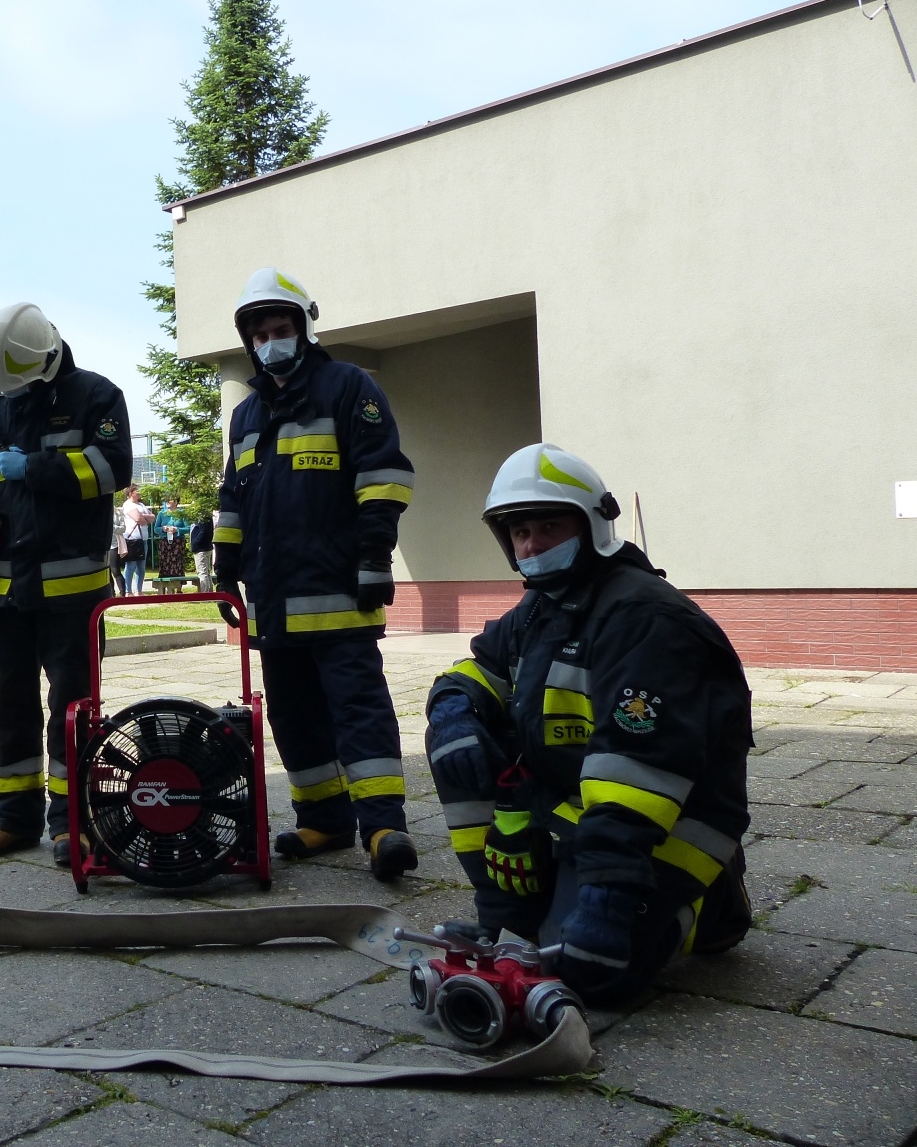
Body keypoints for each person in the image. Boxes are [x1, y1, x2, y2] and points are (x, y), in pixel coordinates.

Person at [423, 444, 753, 1006]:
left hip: (668, 821)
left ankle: (712, 904)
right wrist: (452, 708)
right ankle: (508, 909)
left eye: (549, 527)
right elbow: (475, 670)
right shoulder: (540, 609)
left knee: (596, 974)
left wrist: (606, 901)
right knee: (457, 742)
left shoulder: (645, 618)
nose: (532, 545)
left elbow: (637, 773)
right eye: (520, 532)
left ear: (592, 525)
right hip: (576, 809)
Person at [213, 268, 419, 883]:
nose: (270, 343)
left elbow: (383, 476)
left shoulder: (348, 387)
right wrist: (225, 568)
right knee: (293, 716)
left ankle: (382, 826)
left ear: (304, 329)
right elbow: (233, 497)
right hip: (273, 600)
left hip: (339, 593)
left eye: (281, 330)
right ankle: (324, 821)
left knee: (359, 711)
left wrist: (375, 556)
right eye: (260, 336)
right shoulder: (246, 414)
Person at [0, 300, 131, 863]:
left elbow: (113, 469)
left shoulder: (96, 396)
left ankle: (74, 823)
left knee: (74, 709)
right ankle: (13, 820)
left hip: (73, 595)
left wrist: (34, 467)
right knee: (8, 707)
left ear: (42, 361)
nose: (7, 397)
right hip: (4, 594)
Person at [119, 485, 152, 595]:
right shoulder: (128, 505)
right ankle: (128, 591)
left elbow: (152, 518)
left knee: (141, 567)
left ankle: (139, 590)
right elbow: (137, 518)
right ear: (130, 493)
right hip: (132, 539)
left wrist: (143, 517)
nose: (139, 492)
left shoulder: (141, 505)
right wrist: (145, 517)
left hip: (143, 539)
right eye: (137, 491)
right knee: (131, 566)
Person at [153, 496, 189, 590]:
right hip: (165, 542)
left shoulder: (182, 513)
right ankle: (164, 588)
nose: (168, 502)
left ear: (176, 502)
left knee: (177, 563)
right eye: (167, 500)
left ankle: (179, 589)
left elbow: (188, 528)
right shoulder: (161, 513)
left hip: (178, 542)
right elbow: (155, 529)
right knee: (165, 563)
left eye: (170, 500)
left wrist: (177, 529)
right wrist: (163, 529)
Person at [190, 511, 215, 593]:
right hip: (207, 547)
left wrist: (195, 542)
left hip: (200, 548)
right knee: (207, 572)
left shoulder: (202, 516)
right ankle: (209, 592)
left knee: (202, 573)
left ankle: (205, 593)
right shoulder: (208, 516)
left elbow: (202, 532)